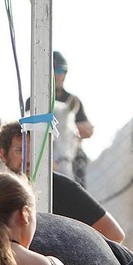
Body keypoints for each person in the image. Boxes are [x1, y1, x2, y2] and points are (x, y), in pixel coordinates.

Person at [0, 120, 124, 242]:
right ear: (3, 154)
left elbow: (114, 234)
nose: (29, 158)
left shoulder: (60, 187)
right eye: (20, 150)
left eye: (35, 150)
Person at [52, 52, 93, 182]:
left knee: (81, 161)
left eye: (60, 70)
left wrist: (69, 128)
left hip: (70, 151)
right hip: (45, 149)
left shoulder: (73, 100)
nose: (57, 74)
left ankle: (80, 195)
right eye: (53, 69)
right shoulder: (34, 100)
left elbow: (87, 130)